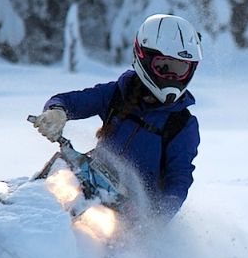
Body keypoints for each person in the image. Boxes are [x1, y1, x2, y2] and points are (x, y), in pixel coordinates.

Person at [31, 14, 202, 221]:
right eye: (164, 66)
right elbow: (74, 100)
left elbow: (179, 180)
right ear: (143, 57)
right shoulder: (117, 94)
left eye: (180, 69)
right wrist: (57, 111)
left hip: (129, 217)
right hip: (89, 183)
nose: (172, 77)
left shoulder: (182, 124)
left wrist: (158, 218)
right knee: (44, 197)